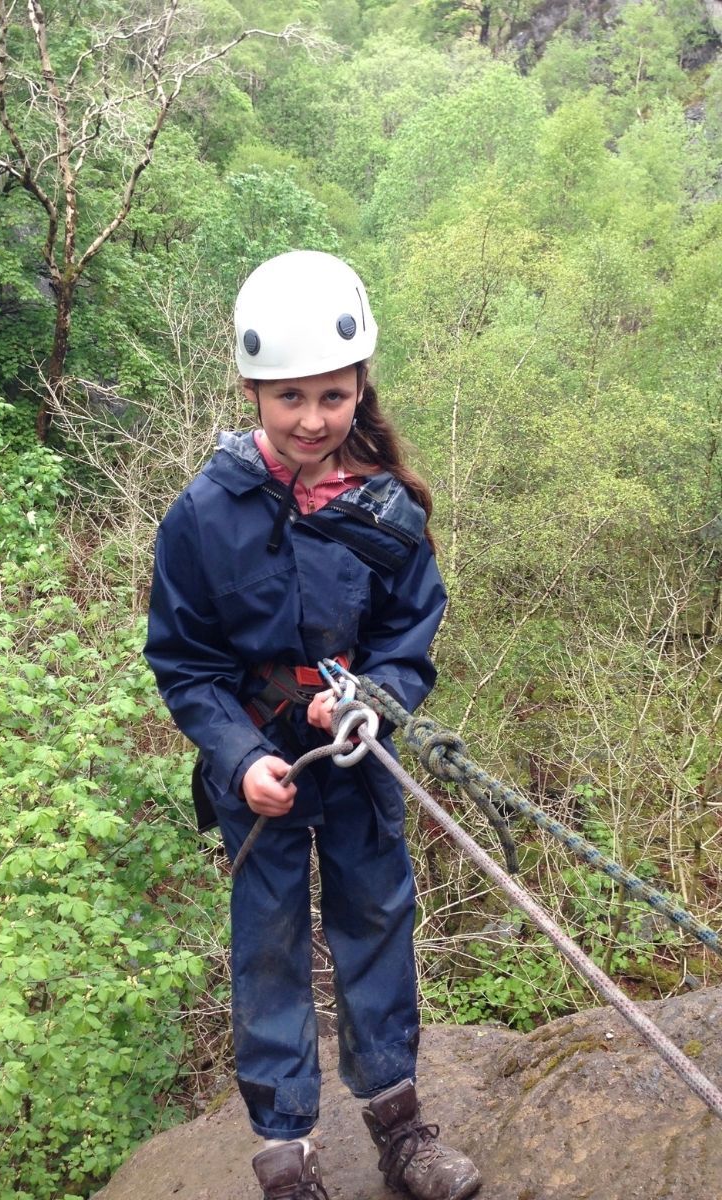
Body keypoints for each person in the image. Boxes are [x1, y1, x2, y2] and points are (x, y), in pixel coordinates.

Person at [143, 250, 481, 1200]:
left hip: (356, 757)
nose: (311, 418)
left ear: (359, 387)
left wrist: (372, 695)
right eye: (288, 396)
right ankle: (285, 1153)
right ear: (253, 390)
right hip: (261, 767)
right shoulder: (205, 515)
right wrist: (241, 756)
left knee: (377, 921)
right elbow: (186, 663)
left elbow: (412, 640)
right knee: (270, 942)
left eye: (332, 395)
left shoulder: (388, 509)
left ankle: (401, 1128)